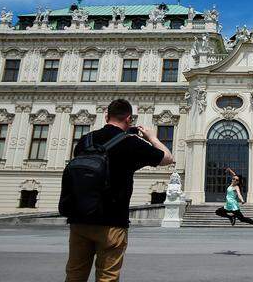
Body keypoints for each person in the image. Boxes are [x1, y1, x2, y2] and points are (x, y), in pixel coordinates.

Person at [62, 99, 174, 282]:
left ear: (106, 116)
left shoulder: (85, 140)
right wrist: (152, 137)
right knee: (107, 277)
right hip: (112, 223)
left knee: (74, 275)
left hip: (80, 219)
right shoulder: (131, 144)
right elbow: (168, 158)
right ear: (129, 119)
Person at [215, 167, 253, 233]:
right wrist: (229, 170)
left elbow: (239, 194)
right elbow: (234, 174)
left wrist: (242, 200)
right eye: (233, 179)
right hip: (228, 205)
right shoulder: (232, 183)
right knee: (218, 212)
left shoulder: (236, 187)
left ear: (238, 182)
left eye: (236, 180)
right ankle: (231, 217)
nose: (234, 180)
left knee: (242, 219)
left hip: (233, 205)